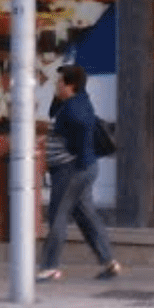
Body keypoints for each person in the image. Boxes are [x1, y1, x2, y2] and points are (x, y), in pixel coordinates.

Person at [37, 63, 121, 281]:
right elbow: (54, 114)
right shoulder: (76, 101)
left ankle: (49, 266)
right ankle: (109, 263)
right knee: (86, 217)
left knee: (58, 217)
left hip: (71, 170)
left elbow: (81, 128)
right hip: (81, 168)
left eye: (59, 82)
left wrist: (79, 154)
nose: (56, 85)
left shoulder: (75, 109)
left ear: (70, 85)